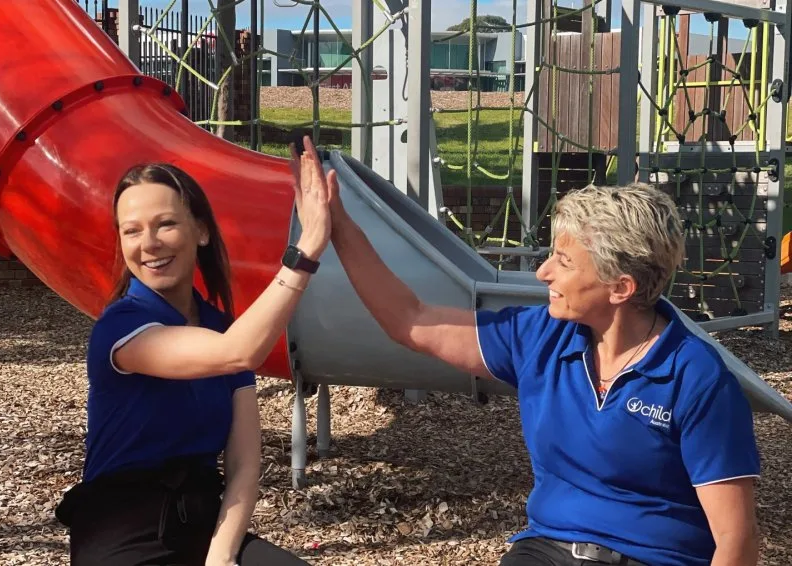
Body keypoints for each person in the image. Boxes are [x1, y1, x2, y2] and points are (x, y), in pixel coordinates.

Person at [292, 146, 761, 566]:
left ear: (621, 288)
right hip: (547, 550)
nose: (542, 272)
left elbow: (736, 541)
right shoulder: (542, 335)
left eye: (565, 261)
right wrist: (338, 225)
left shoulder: (696, 377)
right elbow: (409, 319)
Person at [56, 147, 330, 566]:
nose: (148, 244)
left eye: (166, 224)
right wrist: (306, 246)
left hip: (203, 524)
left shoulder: (220, 325)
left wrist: (221, 556)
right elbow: (238, 353)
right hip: (122, 532)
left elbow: (243, 463)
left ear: (200, 231)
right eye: (131, 231)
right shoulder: (121, 327)